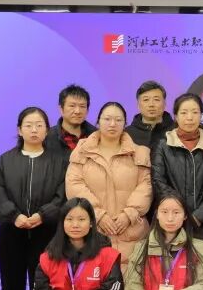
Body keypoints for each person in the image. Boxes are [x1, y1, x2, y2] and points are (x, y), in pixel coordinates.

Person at [0, 106, 66, 290]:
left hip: (46, 231)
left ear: (47, 130)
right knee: (11, 286)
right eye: (29, 125)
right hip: (12, 231)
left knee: (41, 286)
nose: (34, 130)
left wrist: (43, 215)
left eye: (39, 125)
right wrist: (14, 216)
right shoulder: (6, 160)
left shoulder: (58, 161)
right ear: (19, 130)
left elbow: (62, 195)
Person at [65, 102, 152, 269]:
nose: (112, 124)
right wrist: (98, 215)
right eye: (107, 119)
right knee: (95, 278)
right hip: (94, 231)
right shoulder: (82, 151)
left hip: (132, 232)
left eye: (118, 120)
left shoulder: (140, 152)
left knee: (133, 280)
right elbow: (74, 184)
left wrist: (129, 214)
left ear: (125, 123)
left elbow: (146, 186)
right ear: (98, 121)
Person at [151, 93, 203, 243]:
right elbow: (158, 180)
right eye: (184, 113)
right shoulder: (164, 144)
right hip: (171, 220)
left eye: (195, 112)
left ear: (201, 115)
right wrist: (178, 212)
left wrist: (200, 215)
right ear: (176, 116)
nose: (189, 118)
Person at [45, 84, 96, 155]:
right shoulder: (47, 137)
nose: (77, 111)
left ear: (87, 110)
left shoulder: (97, 136)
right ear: (61, 109)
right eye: (72, 106)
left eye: (82, 106)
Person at [125, 80, 175, 151]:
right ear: (138, 105)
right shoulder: (127, 134)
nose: (151, 104)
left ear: (164, 104)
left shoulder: (177, 131)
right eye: (146, 100)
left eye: (156, 99)